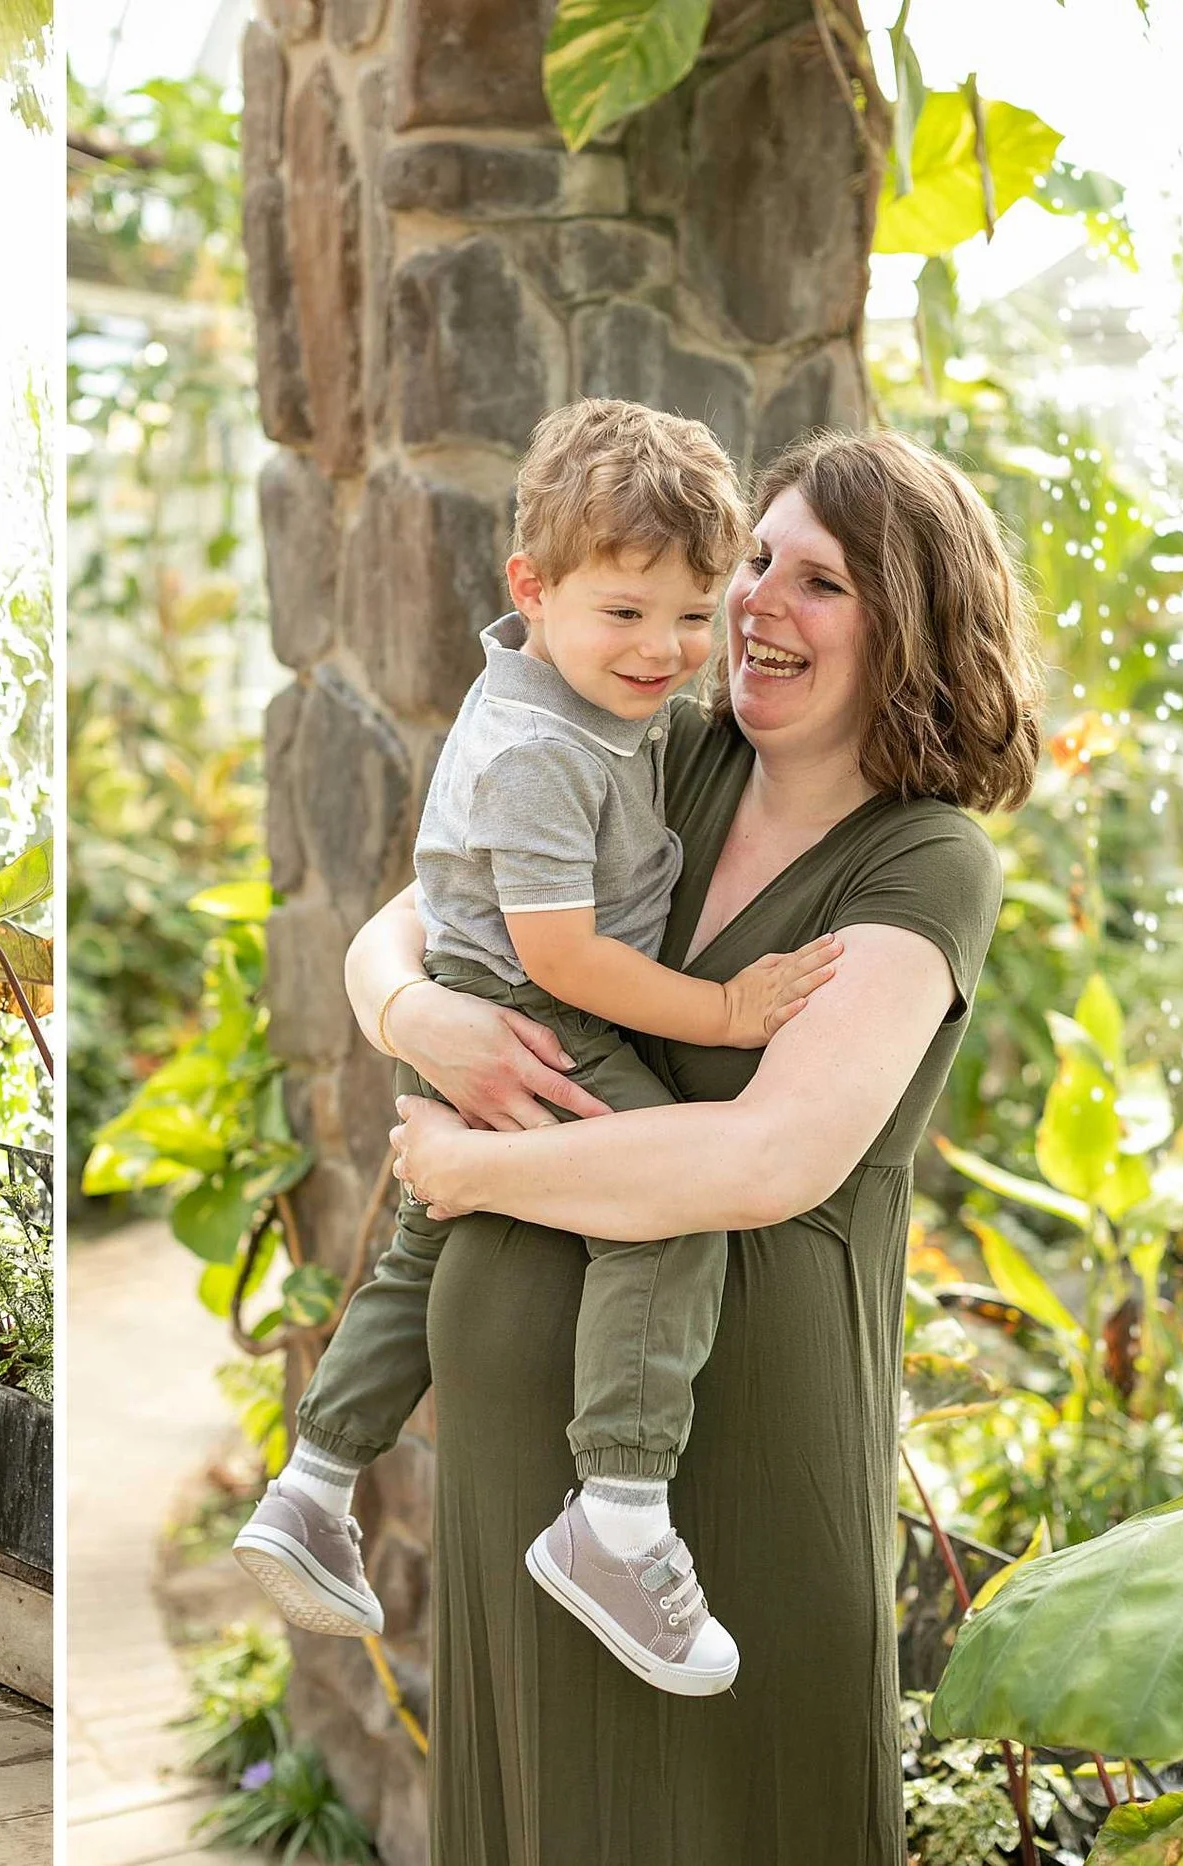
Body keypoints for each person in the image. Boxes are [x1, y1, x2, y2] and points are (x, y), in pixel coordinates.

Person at [334, 427, 1041, 1862]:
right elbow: (414, 912)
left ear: (910, 622)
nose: (755, 602)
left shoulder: (923, 863)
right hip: (520, 1471)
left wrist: (471, 1169)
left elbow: (768, 1157)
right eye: (758, 560)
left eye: (820, 581)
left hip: (737, 1465)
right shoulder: (667, 751)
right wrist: (418, 1015)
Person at [233, 401, 839, 1697]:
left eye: (692, 614)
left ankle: (312, 1486)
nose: (663, 649)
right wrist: (727, 1014)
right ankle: (616, 1511)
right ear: (532, 588)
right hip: (536, 1013)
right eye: (624, 612)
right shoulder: (541, 750)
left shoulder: (579, 697)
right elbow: (563, 957)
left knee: (421, 1246)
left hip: (483, 992)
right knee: (667, 1208)